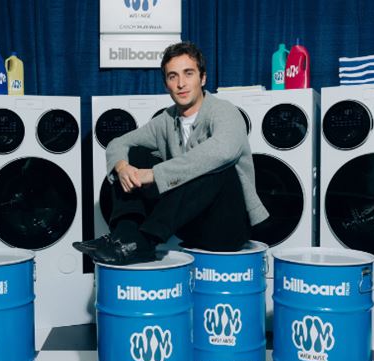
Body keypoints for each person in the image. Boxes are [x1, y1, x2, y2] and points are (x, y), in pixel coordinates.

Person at [74, 41, 269, 265]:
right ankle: (125, 237)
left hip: (227, 226)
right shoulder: (166, 120)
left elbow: (223, 151)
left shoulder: (224, 111)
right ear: (166, 84)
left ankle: (143, 240)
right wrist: (123, 167)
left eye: (188, 73)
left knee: (214, 166)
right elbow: (118, 143)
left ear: (203, 78)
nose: (181, 84)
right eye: (172, 76)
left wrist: (154, 174)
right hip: (190, 226)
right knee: (135, 154)